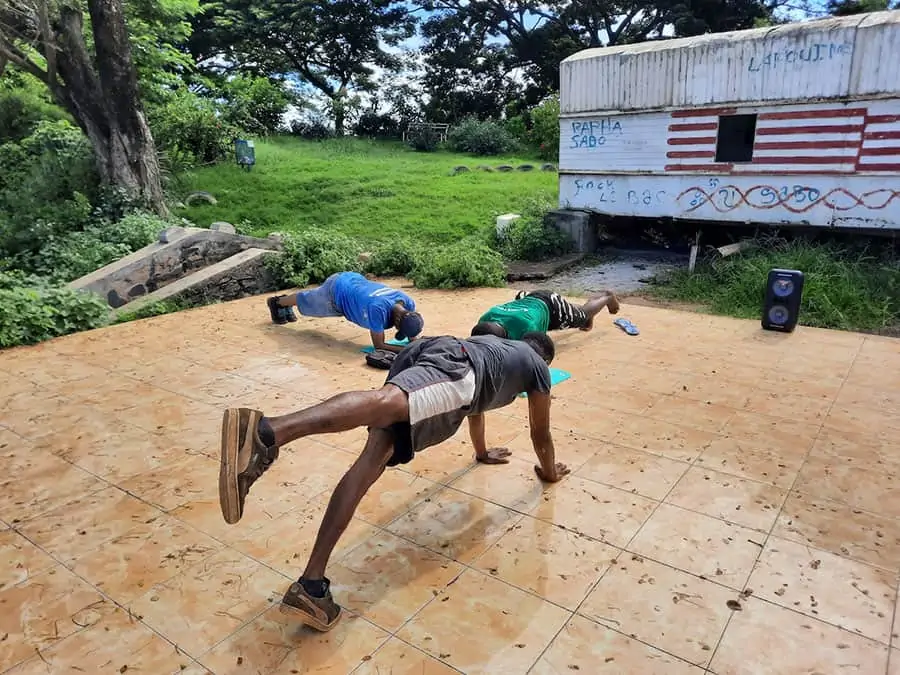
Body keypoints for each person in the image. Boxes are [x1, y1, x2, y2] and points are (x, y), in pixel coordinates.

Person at [218, 332, 570, 632]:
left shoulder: (501, 351)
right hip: (458, 366)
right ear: (545, 358)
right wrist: (550, 472)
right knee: (388, 404)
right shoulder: (536, 366)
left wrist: (481, 452)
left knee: (371, 462)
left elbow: (475, 407)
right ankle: (267, 432)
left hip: (435, 352)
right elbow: (540, 431)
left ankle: (311, 586)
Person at [267, 272, 424, 353]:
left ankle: (282, 303)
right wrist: (405, 351)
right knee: (308, 301)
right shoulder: (378, 309)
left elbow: (412, 336)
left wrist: (415, 342)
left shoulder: (408, 302)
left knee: (309, 300)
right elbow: (379, 345)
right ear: (397, 321)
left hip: (354, 281)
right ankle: (277, 302)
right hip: (336, 292)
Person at [471, 289, 620, 340]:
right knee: (574, 315)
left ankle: (607, 296)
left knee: (581, 314)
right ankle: (584, 317)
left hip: (551, 306)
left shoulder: (527, 327)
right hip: (528, 300)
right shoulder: (484, 319)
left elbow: (536, 354)